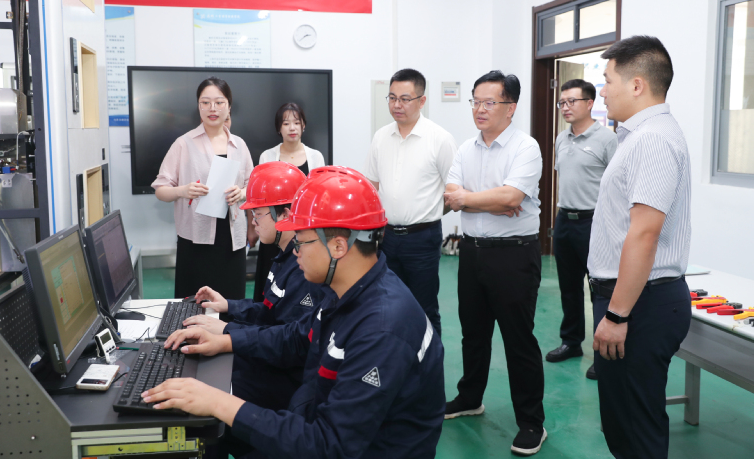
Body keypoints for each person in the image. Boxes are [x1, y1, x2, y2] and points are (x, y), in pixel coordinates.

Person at [143, 166, 445, 459]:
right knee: (206, 426)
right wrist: (225, 340)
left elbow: (329, 446)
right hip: (311, 412)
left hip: (342, 445)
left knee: (213, 417)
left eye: (302, 240)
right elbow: (299, 337)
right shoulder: (347, 288)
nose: (295, 250)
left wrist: (220, 402)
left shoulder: (382, 328)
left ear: (338, 246)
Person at [588, 36, 691, 459]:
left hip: (638, 304)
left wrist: (617, 315)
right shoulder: (640, 136)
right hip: (635, 299)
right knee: (624, 423)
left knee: (636, 430)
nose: (602, 92)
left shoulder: (651, 140)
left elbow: (645, 234)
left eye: (607, 81)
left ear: (636, 85)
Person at [443, 71, 546, 456]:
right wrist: (491, 200)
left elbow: (512, 197)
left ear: (510, 107)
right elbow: (452, 193)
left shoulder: (526, 147)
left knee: (519, 340)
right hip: (472, 253)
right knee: (473, 333)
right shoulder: (466, 149)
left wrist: (472, 199)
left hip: (513, 255)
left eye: (489, 102)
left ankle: (532, 422)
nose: (480, 109)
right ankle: (470, 398)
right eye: (476, 101)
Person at [185, 161, 324, 411]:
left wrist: (228, 332)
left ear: (285, 215)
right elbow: (270, 312)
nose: (253, 223)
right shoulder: (283, 255)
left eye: (258, 214)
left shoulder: (303, 267)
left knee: (209, 383)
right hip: (275, 358)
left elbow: (288, 340)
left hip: (288, 377)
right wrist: (228, 306)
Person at [364, 68, 457, 337]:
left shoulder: (439, 139)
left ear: (422, 100)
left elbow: (453, 192)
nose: (397, 105)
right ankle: (397, 359)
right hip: (386, 237)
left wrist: (429, 212)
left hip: (423, 238)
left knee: (424, 307)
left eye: (405, 99)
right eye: (392, 98)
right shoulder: (381, 137)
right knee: (388, 304)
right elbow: (371, 186)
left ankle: (429, 361)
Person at [152, 77, 254, 299]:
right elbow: (160, 189)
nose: (212, 108)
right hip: (195, 241)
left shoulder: (239, 145)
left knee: (231, 305)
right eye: (205, 102)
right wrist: (182, 190)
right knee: (193, 306)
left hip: (232, 240)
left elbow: (251, 186)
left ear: (229, 106)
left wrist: (242, 193)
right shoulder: (184, 143)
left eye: (219, 102)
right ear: (198, 106)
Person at [545, 79, 617, 381]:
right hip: (564, 220)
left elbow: (618, 185)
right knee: (568, 286)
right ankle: (571, 342)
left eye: (571, 101)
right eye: (562, 102)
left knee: (598, 289)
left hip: (594, 222)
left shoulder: (607, 140)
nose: (565, 107)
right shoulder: (561, 139)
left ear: (589, 103)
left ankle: (603, 354)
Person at [254, 102, 325, 302]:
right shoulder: (268, 156)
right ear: (279, 128)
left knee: (300, 284)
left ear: (304, 125)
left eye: (297, 122)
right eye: (286, 123)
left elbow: (319, 195)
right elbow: (261, 196)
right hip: (274, 230)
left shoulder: (315, 157)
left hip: (303, 231)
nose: (292, 128)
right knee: (269, 280)